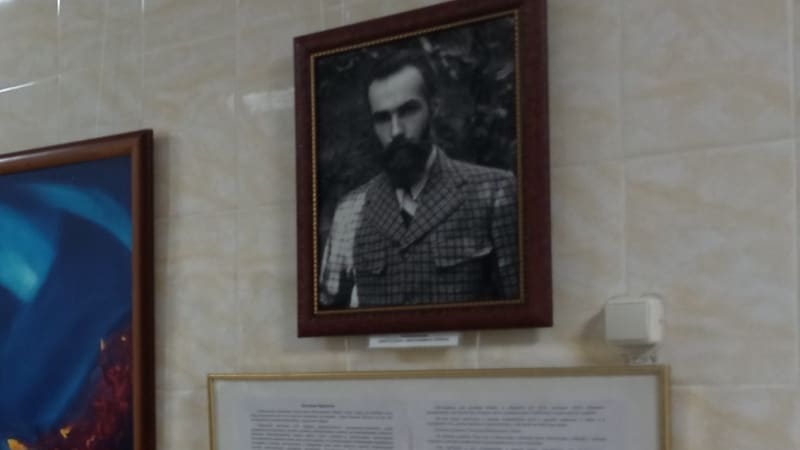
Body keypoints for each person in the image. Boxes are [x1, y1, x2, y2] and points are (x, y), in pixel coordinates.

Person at [319, 49, 519, 309]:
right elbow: (329, 313)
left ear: (434, 107)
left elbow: (518, 306)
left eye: (408, 111)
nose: (396, 131)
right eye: (382, 118)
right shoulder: (350, 211)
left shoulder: (493, 193)